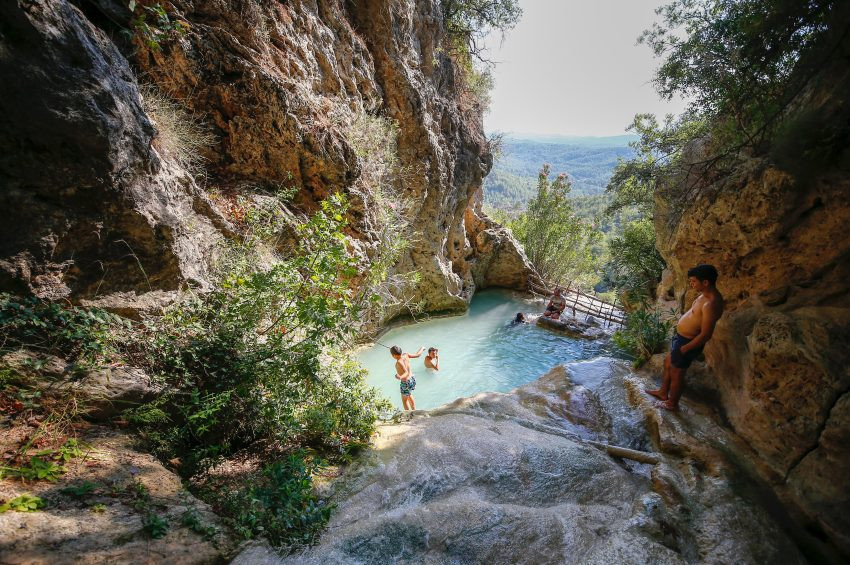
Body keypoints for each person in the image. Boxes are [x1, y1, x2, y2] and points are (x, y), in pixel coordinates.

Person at [646, 264, 724, 411]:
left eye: (694, 281)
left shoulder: (711, 304)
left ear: (705, 282)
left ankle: (672, 403)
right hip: (681, 338)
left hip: (688, 342)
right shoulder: (704, 295)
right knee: (668, 361)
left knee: (677, 373)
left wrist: (685, 348)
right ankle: (663, 392)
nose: (691, 284)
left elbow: (706, 334)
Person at [391, 345, 424, 410]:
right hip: (412, 379)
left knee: (404, 401)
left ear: (393, 355)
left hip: (405, 382)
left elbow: (406, 372)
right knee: (408, 394)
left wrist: (400, 377)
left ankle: (409, 416)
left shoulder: (399, 362)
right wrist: (422, 348)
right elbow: (418, 355)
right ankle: (414, 410)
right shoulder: (406, 355)